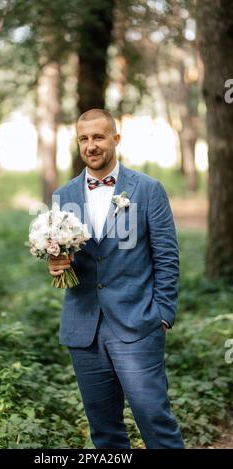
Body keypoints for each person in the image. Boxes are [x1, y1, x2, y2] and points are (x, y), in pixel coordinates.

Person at [48, 108, 184, 449]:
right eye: (84, 138)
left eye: (98, 137)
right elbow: (66, 252)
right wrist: (55, 262)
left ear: (115, 139)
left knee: (156, 421)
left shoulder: (148, 189)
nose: (91, 146)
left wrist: (162, 315)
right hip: (84, 329)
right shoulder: (63, 195)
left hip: (137, 325)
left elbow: (167, 257)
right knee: (105, 433)